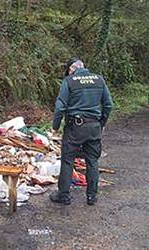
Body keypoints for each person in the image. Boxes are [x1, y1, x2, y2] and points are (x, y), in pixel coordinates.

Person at [50, 58, 113, 206]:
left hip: (75, 127)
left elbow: (60, 107)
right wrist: (101, 123)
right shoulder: (99, 79)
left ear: (71, 69)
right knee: (92, 160)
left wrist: (55, 127)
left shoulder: (69, 81)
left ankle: (63, 196)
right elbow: (108, 105)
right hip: (94, 127)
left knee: (68, 160)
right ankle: (91, 197)